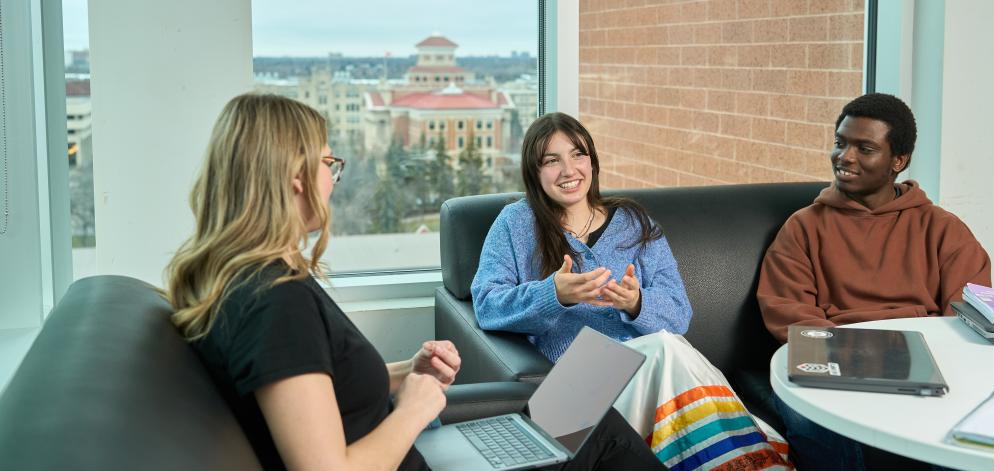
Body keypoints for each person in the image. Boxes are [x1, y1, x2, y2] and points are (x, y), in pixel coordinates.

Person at [165, 93, 659, 471]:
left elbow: (319, 388)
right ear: (294, 177)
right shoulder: (275, 303)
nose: (331, 177)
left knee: (579, 411)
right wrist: (415, 408)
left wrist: (405, 371)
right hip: (410, 450)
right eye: (327, 162)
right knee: (600, 430)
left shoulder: (246, 280)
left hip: (413, 445)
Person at [472, 112, 791, 470]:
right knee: (665, 347)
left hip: (649, 381)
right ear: (534, 171)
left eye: (578, 155)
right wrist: (554, 294)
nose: (568, 170)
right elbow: (486, 305)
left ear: (592, 161)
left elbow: (678, 314)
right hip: (571, 397)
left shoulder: (634, 223)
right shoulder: (515, 223)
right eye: (552, 161)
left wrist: (638, 302)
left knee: (666, 345)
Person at [757, 93, 991, 470]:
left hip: (926, 365)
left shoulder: (943, 229)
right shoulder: (803, 227)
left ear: (898, 161)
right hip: (835, 367)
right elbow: (789, 312)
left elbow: (968, 311)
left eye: (864, 148)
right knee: (811, 415)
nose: (844, 157)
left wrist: (921, 363)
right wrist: (853, 359)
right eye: (840, 143)